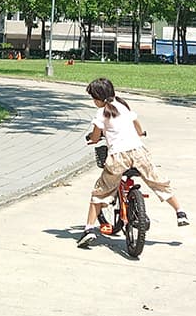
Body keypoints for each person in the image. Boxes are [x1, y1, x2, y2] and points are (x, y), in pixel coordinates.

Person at [77, 77, 189, 247]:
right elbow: (136, 124)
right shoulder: (123, 105)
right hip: (138, 153)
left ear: (99, 98)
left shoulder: (101, 113)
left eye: (94, 98)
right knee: (157, 181)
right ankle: (180, 212)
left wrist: (93, 140)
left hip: (118, 157)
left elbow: (95, 135)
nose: (93, 102)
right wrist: (141, 133)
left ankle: (89, 229)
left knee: (100, 192)